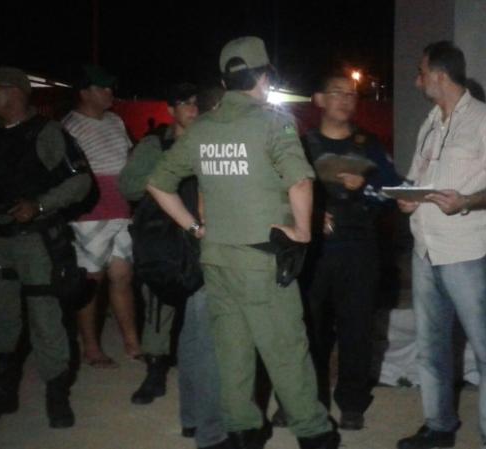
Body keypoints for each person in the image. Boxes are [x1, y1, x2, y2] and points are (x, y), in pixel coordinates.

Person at [146, 36, 339, 449]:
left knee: (232, 355)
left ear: (225, 79)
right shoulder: (273, 122)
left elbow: (158, 183)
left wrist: (195, 228)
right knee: (286, 351)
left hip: (216, 261)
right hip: (262, 261)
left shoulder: (202, 128)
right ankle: (313, 433)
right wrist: (303, 232)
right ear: (265, 76)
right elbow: (301, 180)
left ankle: (242, 433)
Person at [396, 41, 486, 449]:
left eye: (421, 71)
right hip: (425, 251)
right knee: (431, 349)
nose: (416, 79)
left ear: (439, 75)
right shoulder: (429, 122)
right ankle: (439, 427)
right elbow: (417, 180)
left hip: (467, 254)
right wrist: (404, 195)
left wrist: (467, 201)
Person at [0, 67, 92, 427]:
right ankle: (3, 393)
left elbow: (81, 182)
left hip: (34, 242)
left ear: (13, 92)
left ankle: (57, 396)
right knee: (1, 318)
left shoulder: (48, 133)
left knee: (46, 318)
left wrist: (39, 205)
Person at [119, 83, 229, 449]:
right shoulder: (156, 144)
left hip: (199, 242)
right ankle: (154, 372)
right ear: (171, 109)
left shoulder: (212, 139)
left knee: (197, 328)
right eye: (185, 103)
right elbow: (131, 186)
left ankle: (192, 414)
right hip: (166, 242)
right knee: (160, 313)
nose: (193, 109)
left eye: (198, 103)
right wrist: (171, 172)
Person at [297, 72, 402, 430]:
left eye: (351, 94)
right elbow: (279, 192)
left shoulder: (368, 144)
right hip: (313, 252)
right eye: (336, 93)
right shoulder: (301, 144)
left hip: (359, 249)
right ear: (319, 99)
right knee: (307, 329)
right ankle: (303, 399)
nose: (345, 99)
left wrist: (367, 186)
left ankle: (352, 402)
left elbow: (395, 192)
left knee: (357, 329)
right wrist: (311, 214)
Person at [62, 65, 141, 368]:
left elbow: (128, 158)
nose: (110, 93)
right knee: (91, 281)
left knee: (122, 275)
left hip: (120, 211)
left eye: (110, 87)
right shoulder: (69, 126)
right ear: (84, 92)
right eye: (103, 88)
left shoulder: (116, 121)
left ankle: (132, 342)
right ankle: (91, 346)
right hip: (89, 215)